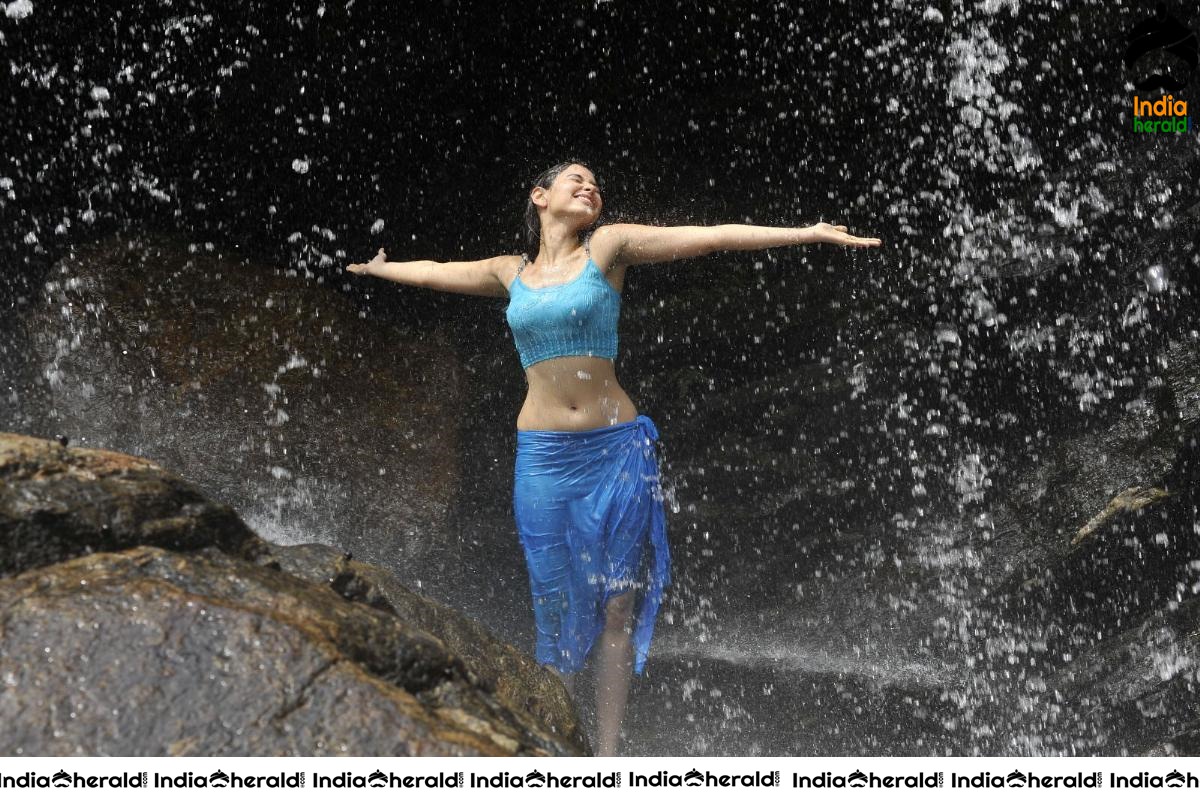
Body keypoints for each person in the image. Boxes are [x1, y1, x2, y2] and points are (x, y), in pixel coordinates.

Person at [346, 160, 881, 755]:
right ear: (540, 196)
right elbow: (435, 273)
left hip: (615, 451)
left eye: (595, 184)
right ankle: (553, 739)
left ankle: (605, 757)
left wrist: (806, 232)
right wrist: (382, 268)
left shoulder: (608, 247)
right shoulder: (508, 272)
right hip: (543, 459)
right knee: (555, 603)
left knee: (617, 605)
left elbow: (710, 237)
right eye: (575, 180)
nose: (589, 187)